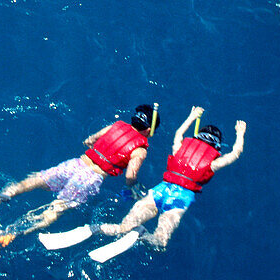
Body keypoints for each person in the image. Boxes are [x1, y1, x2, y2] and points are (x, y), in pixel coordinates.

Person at [0, 105, 158, 247]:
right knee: (55, 210)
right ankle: (4, 234)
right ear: (148, 131)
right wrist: (133, 187)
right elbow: (130, 176)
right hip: (90, 178)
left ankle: (6, 194)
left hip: (74, 164)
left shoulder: (115, 126)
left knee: (35, 181)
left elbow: (89, 140)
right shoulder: (140, 149)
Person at [95, 107, 246, 251]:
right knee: (159, 243)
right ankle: (141, 237)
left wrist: (191, 117)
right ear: (217, 146)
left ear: (197, 137)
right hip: (179, 200)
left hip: (159, 191)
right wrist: (240, 133)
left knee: (123, 228)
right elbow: (235, 153)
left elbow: (178, 133)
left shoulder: (179, 148)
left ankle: (96, 229)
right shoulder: (213, 163)